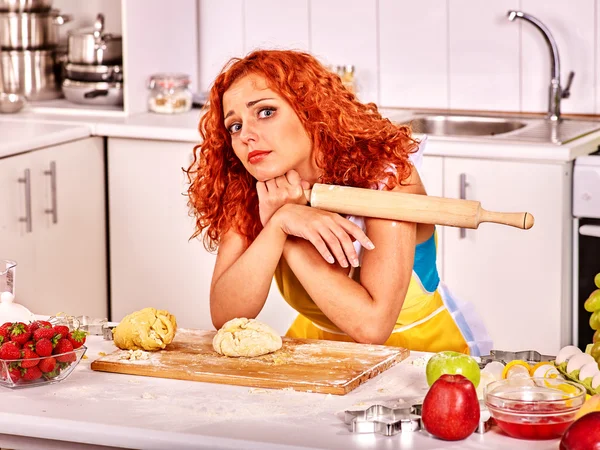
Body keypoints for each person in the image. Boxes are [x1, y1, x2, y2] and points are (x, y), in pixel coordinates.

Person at [186, 49, 492, 356]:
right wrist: (280, 224)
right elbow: (226, 316)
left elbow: (372, 327)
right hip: (322, 354)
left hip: (420, 357)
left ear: (310, 110)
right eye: (235, 126)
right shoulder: (253, 190)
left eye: (265, 112)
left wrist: (289, 234)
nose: (246, 135)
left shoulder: (386, 179)